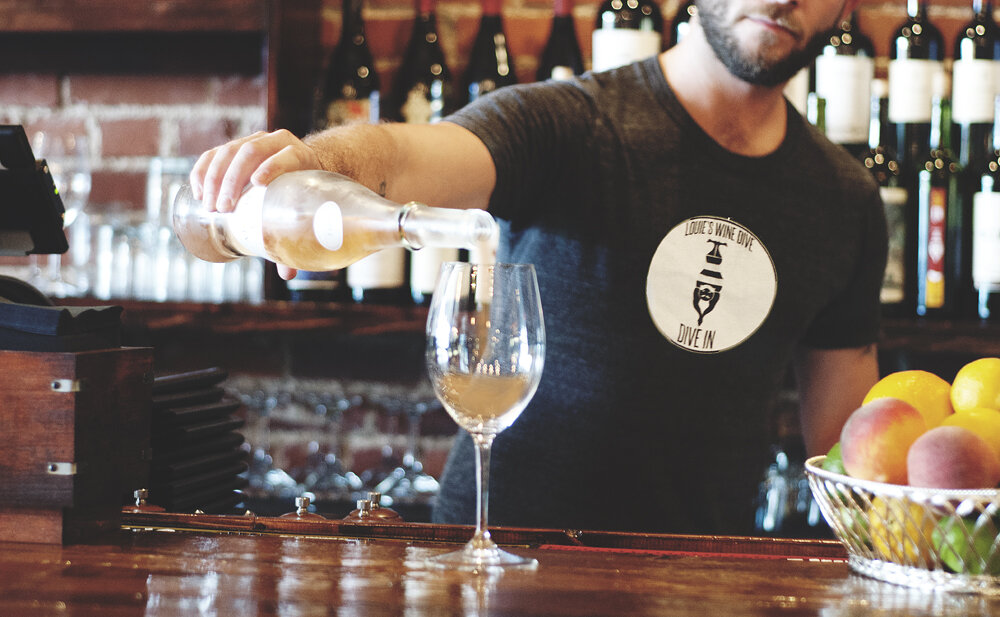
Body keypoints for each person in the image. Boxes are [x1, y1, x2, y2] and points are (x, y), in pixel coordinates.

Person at [190, 0, 884, 534]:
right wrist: (323, 163)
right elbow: (409, 157)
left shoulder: (845, 199)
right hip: (508, 563)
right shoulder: (569, 123)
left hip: (701, 580)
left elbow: (857, 460)